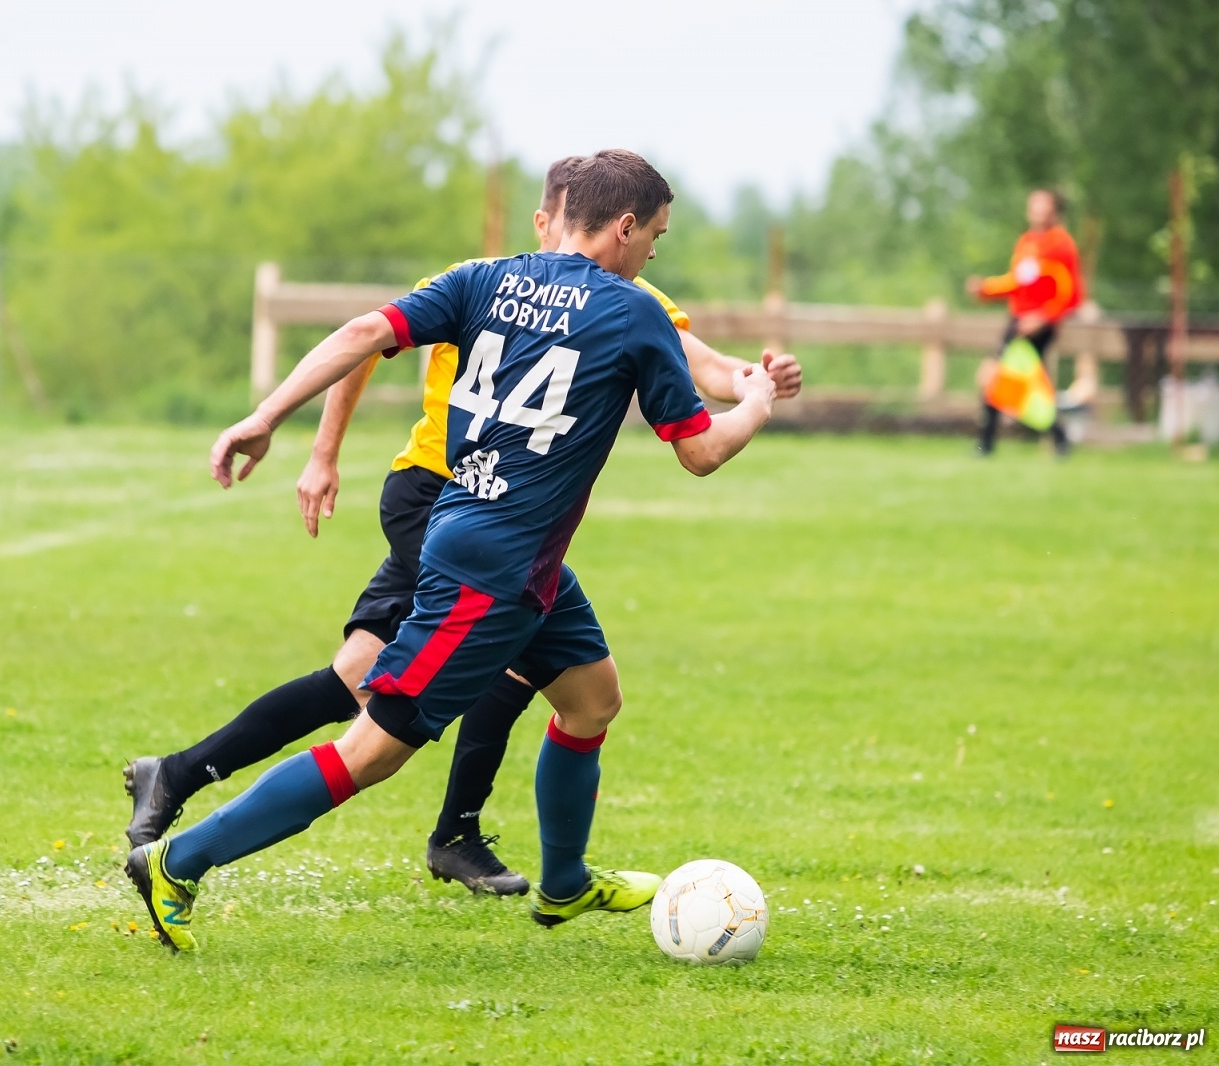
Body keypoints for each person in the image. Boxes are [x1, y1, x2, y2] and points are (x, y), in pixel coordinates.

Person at [125, 149, 778, 952]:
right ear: (623, 226)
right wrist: (758, 403)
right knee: (368, 751)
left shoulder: (489, 279)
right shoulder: (632, 309)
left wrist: (268, 414)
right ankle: (176, 863)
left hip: (495, 545)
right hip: (492, 573)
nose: (653, 254)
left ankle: (565, 885)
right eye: (657, 239)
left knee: (590, 700)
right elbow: (702, 452)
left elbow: (368, 331)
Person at [966, 188, 1082, 457]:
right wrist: (986, 289)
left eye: (1043, 205)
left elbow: (1071, 294)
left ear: (1055, 210)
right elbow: (1017, 282)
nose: (1037, 210)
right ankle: (1058, 438)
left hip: (1038, 327)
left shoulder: (1061, 245)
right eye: (1034, 205)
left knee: (996, 379)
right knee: (1009, 383)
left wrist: (1042, 317)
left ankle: (987, 446)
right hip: (1017, 321)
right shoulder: (1027, 242)